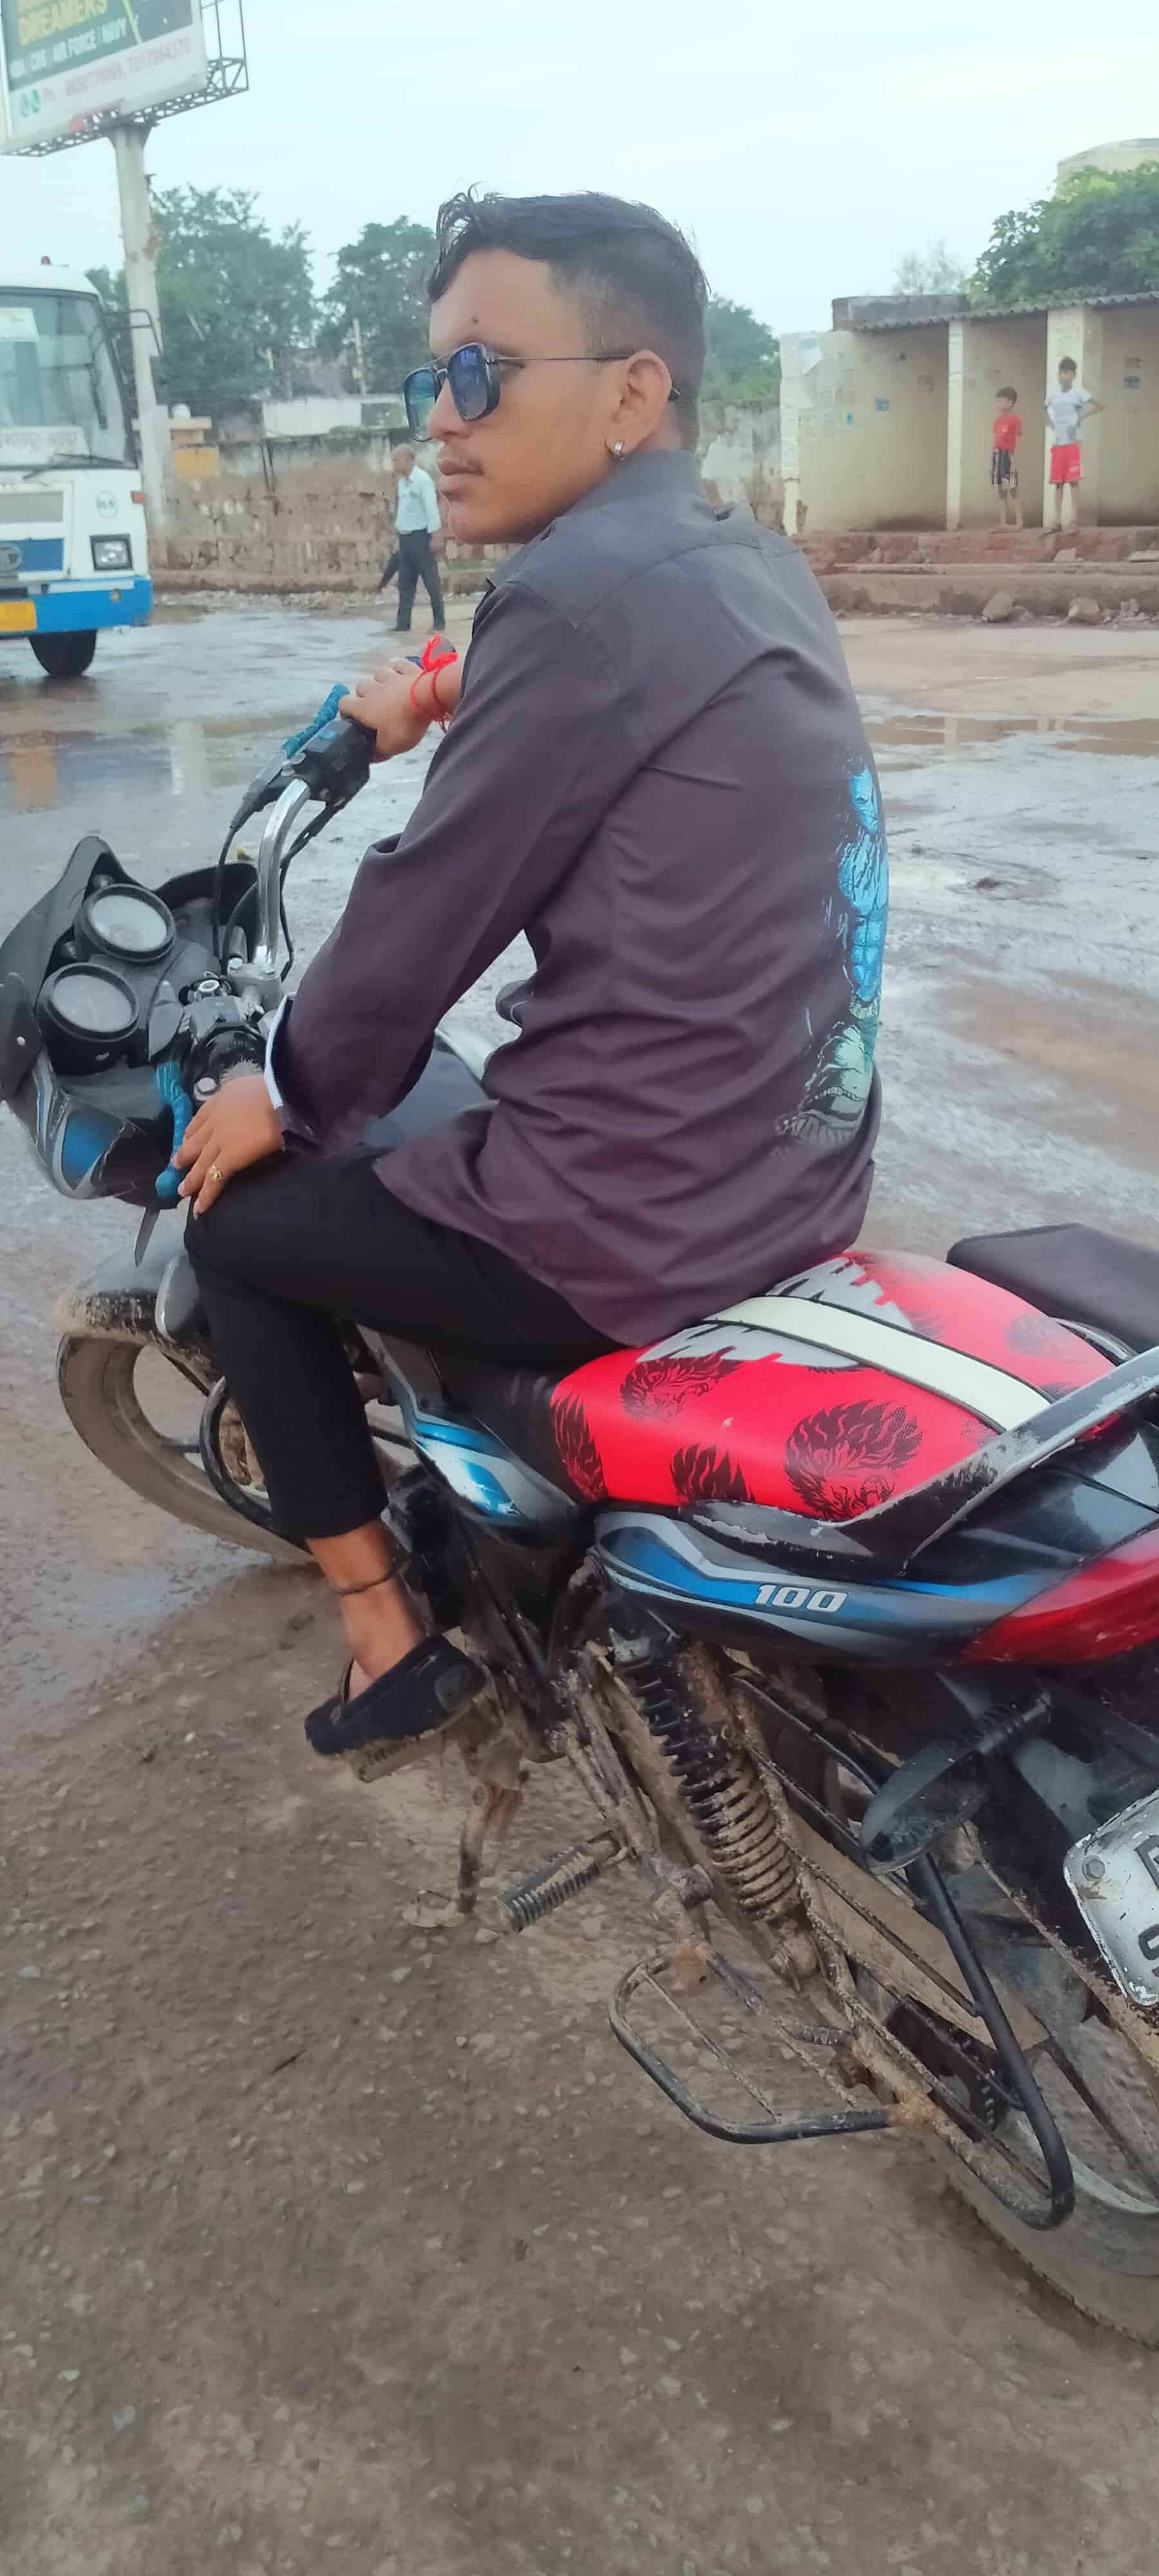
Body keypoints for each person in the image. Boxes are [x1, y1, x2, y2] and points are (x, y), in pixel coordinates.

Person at [176, 188, 888, 1773]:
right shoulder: (743, 559)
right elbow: (611, 707)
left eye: (480, 374)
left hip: (637, 1228)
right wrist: (450, 680)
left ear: (632, 391)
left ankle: (385, 1643)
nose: (441, 418)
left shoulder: (571, 600)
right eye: (433, 377)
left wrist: (281, 1085)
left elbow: (427, 911)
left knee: (245, 1221)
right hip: (797, 1172)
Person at [376, 442, 446, 631]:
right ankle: (403, 624)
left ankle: (439, 622)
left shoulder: (422, 480)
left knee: (431, 582)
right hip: (406, 539)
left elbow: (431, 508)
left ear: (408, 460)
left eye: (396, 460)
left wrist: (436, 535)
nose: (394, 464)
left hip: (420, 538)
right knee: (406, 584)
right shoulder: (402, 482)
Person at [1045, 356, 1103, 533]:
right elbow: (1044, 409)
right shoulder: (1053, 394)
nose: (1064, 376)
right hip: (1058, 443)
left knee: (1073, 482)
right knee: (1058, 483)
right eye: (1061, 373)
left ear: (1074, 375)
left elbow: (1100, 405)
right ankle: (1057, 520)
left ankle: (1074, 521)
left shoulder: (1079, 393)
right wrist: (1051, 423)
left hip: (1072, 444)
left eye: (1068, 373)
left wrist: (1081, 417)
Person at [990, 386, 1022, 531]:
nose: (998, 404)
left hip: (1009, 456)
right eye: (997, 401)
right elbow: (996, 440)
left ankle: (1019, 522)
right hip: (998, 455)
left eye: (1001, 401)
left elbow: (1018, 441)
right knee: (1001, 490)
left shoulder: (1015, 420)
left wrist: (1014, 461)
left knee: (1013, 488)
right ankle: (1003, 523)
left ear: (1010, 403)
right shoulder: (998, 421)